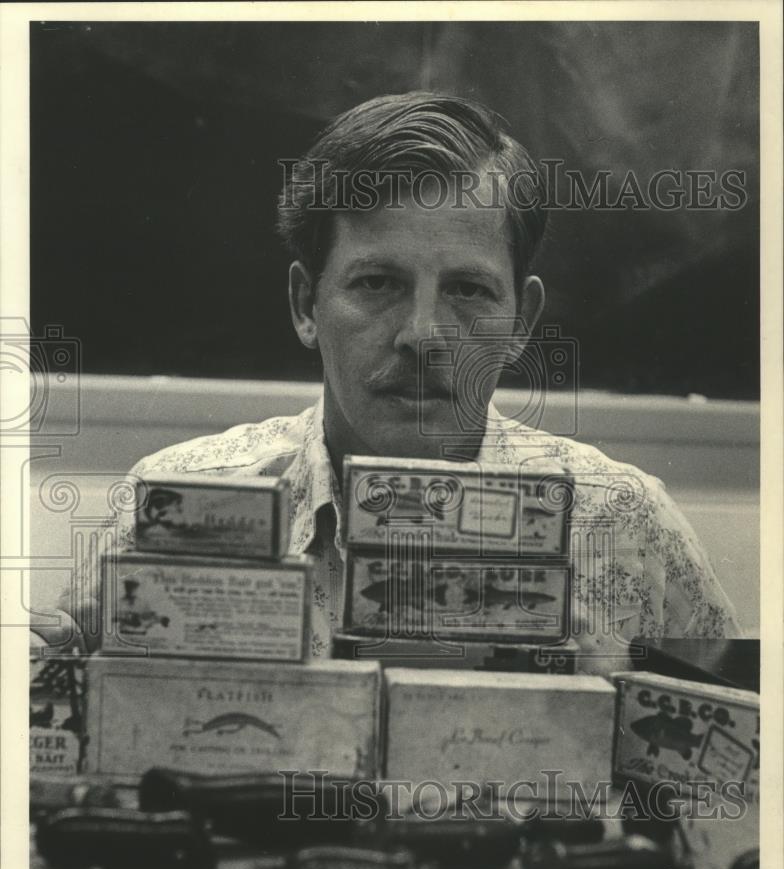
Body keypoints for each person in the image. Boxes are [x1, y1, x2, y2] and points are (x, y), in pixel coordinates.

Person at [33, 92, 739, 667]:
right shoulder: (165, 512)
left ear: (521, 318)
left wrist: (608, 698)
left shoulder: (627, 526)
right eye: (377, 283)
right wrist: (53, 677)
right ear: (306, 304)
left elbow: (746, 791)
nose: (423, 334)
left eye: (467, 290)